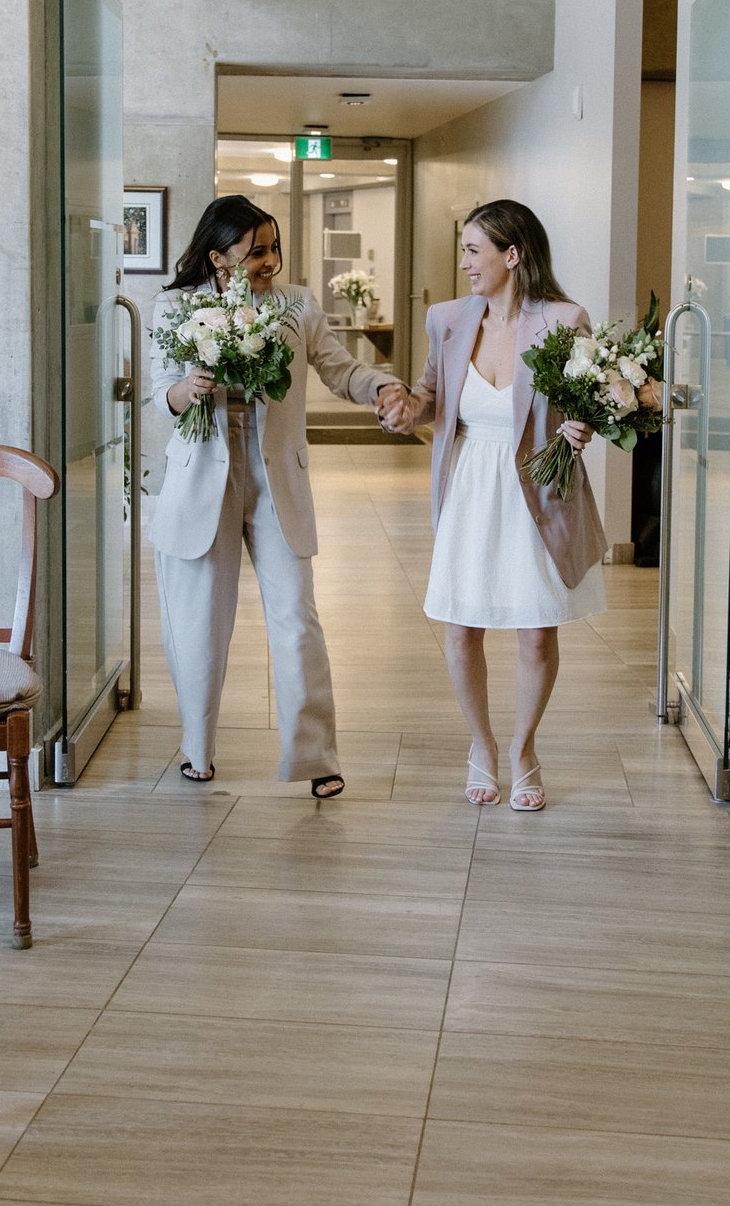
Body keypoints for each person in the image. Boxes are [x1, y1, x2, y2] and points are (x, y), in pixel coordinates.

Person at [147, 196, 410, 797]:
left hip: (276, 476)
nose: (270, 261)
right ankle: (197, 750)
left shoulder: (296, 304)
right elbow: (157, 397)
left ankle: (317, 758)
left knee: (296, 618)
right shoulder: (174, 306)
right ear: (219, 258)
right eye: (255, 251)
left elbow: (340, 369)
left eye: (273, 248)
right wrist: (190, 387)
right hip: (200, 478)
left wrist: (385, 385)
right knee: (200, 624)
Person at [399, 200, 633, 811]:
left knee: (534, 634)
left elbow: (591, 400)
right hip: (470, 483)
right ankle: (481, 746)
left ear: (513, 254)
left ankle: (524, 748)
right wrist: (405, 409)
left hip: (536, 485)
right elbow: (431, 395)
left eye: (474, 250)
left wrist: (582, 427)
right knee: (461, 627)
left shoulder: (563, 320)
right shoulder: (448, 319)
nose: (464, 263)